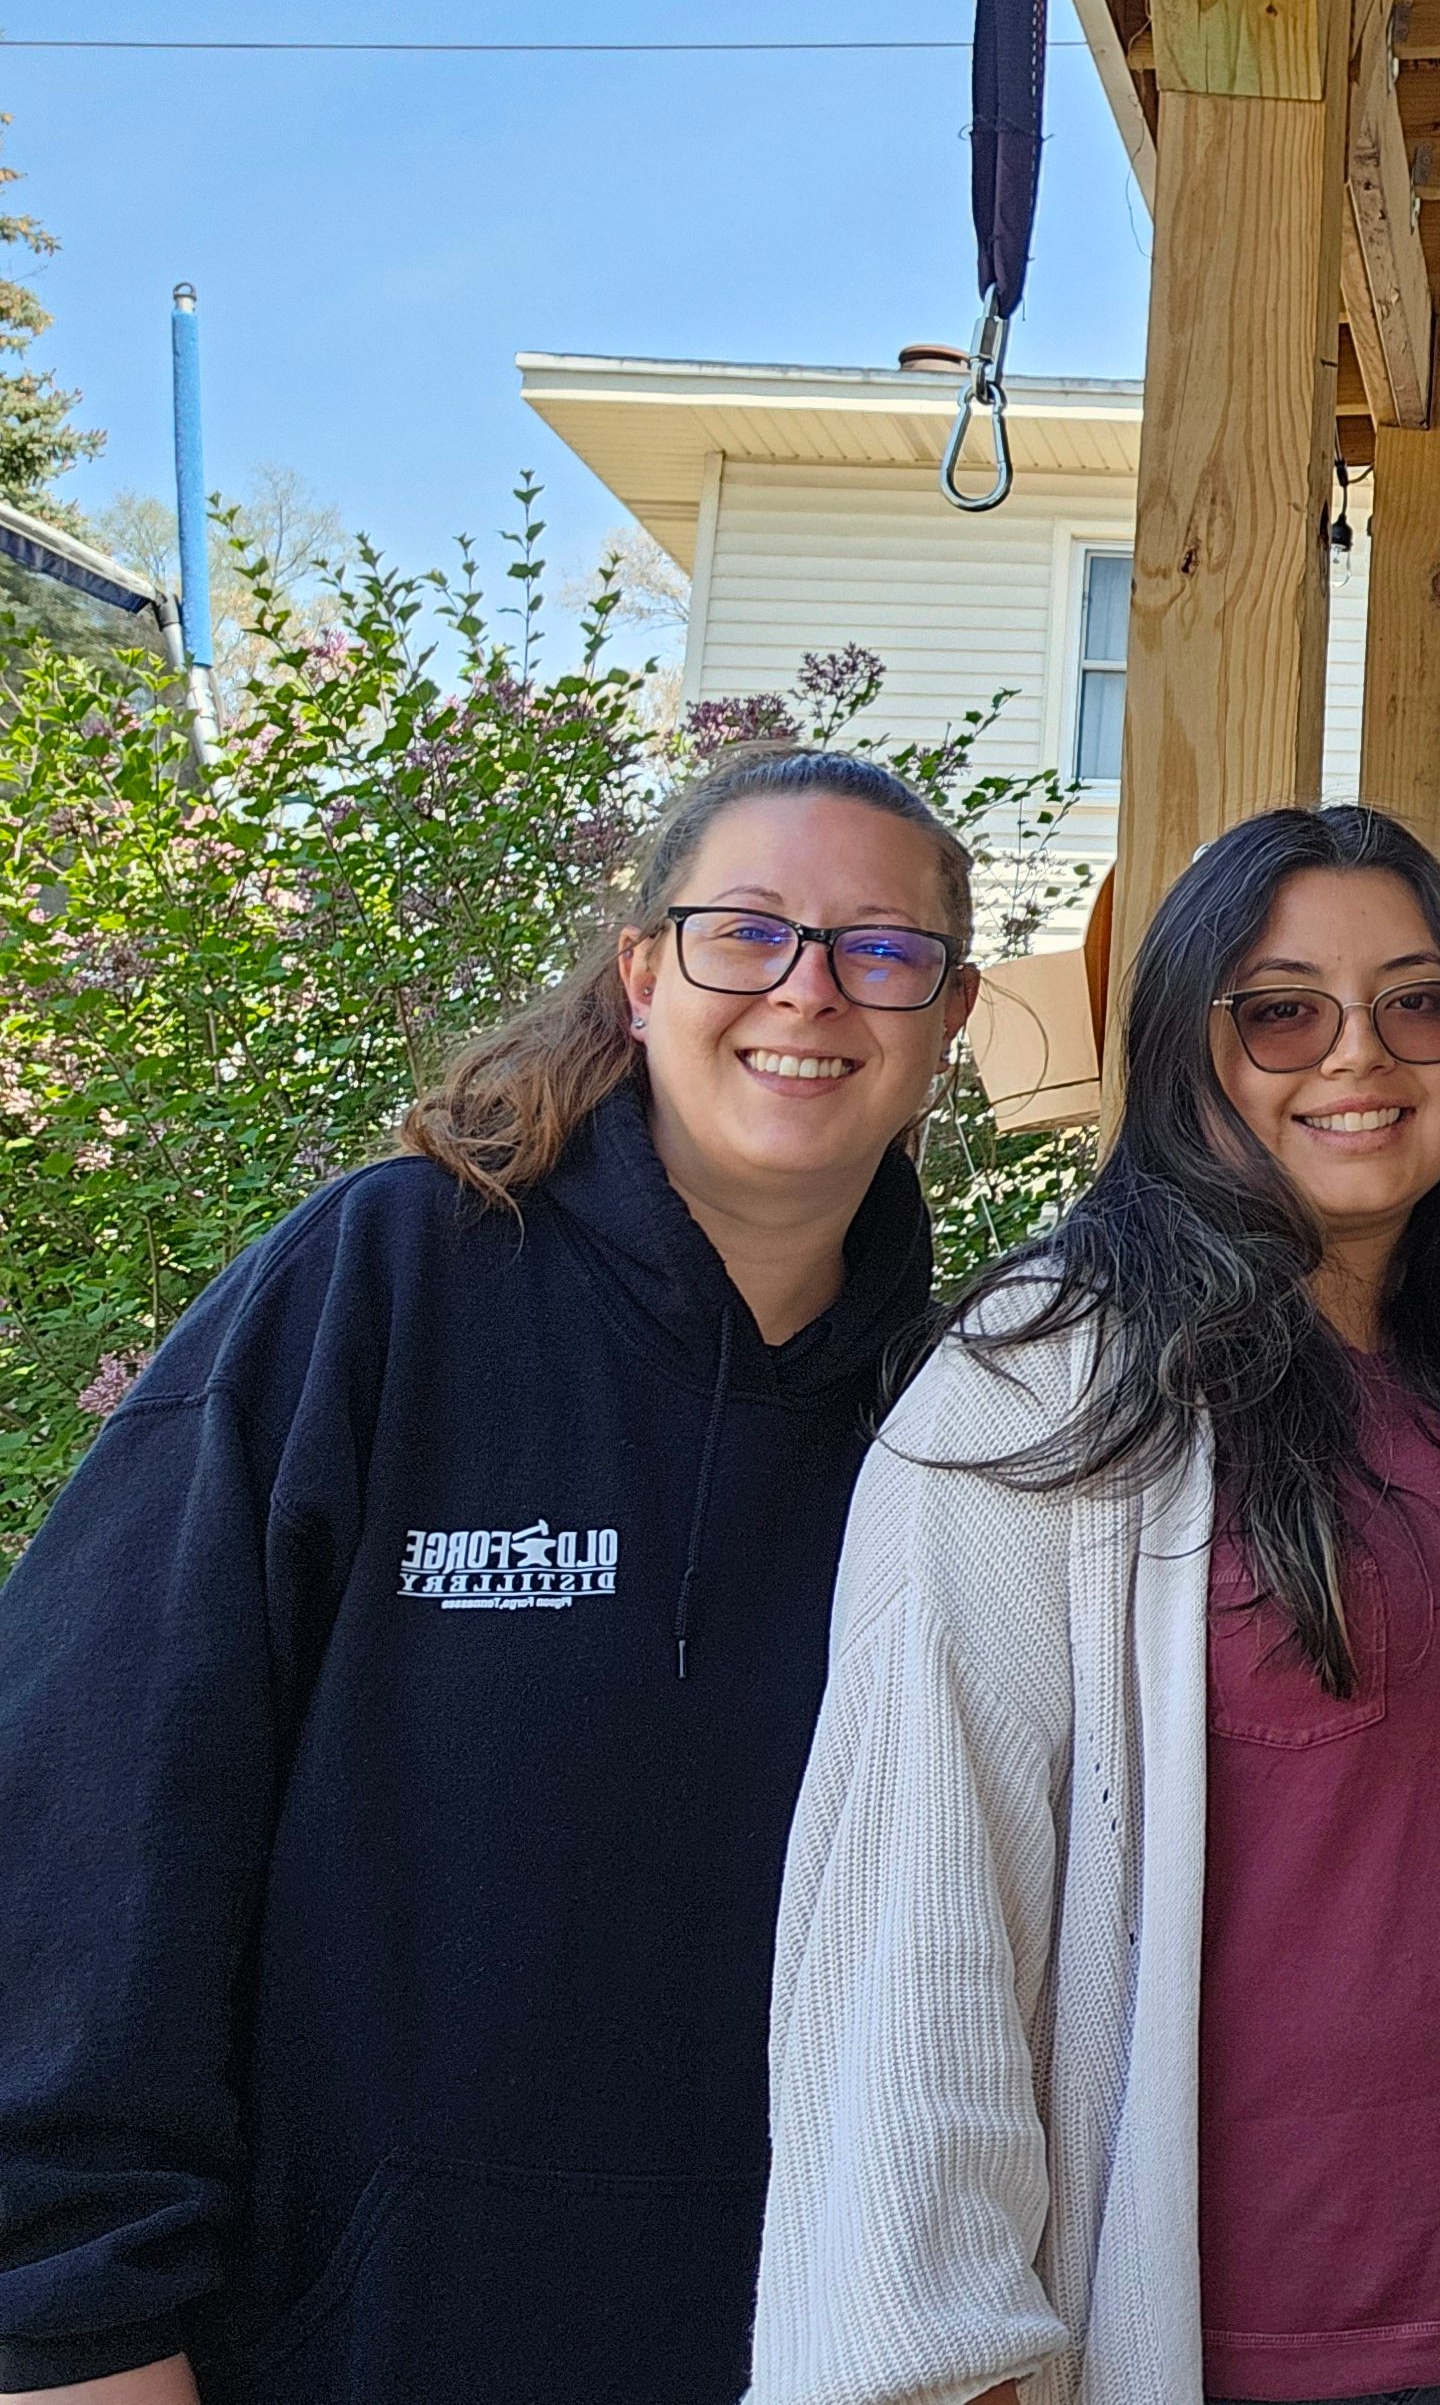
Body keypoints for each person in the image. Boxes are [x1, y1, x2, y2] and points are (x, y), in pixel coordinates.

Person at [0, 744, 982, 2405]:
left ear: (947, 1019)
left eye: (881, 951)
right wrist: (78, 2325)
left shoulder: (960, 1427)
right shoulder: (376, 1294)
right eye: (749, 931)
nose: (810, 995)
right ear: (645, 970)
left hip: (792, 2358)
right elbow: (85, 1829)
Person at [749, 806, 1440, 2405]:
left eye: (1417, 998)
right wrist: (939, 2355)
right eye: (1281, 1009)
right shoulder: (1033, 1394)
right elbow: (917, 1918)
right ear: (1188, 1047)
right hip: (1215, 2334)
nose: (1358, 1053)